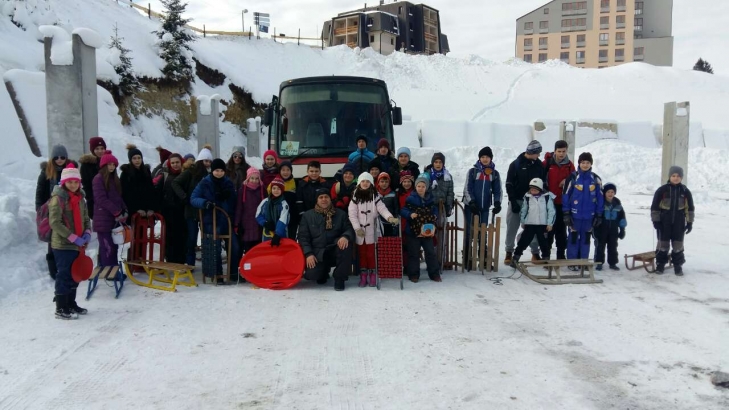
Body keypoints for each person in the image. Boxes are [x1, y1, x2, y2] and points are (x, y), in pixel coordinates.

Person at [48, 163, 92, 320]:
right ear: (64, 183)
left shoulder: (81, 198)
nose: (73, 185)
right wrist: (73, 237)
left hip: (78, 243)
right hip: (63, 244)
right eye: (70, 182)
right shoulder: (58, 199)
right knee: (65, 275)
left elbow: (86, 218)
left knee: (75, 275)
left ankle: (71, 303)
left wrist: (87, 233)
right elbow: (55, 222)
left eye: (75, 182)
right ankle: (61, 307)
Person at [191, 158, 238, 281]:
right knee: (214, 246)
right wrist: (205, 203)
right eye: (216, 170)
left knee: (234, 246)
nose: (219, 173)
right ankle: (217, 275)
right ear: (212, 171)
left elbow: (234, 201)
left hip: (226, 219)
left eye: (221, 170)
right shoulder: (205, 183)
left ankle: (233, 273)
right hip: (211, 219)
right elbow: (194, 198)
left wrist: (230, 196)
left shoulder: (228, 183)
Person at [298, 188, 355, 291]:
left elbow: (349, 228)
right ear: (317, 200)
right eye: (321, 197)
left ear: (330, 199)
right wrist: (308, 254)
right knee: (312, 275)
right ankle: (323, 272)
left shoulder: (340, 214)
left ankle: (339, 278)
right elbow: (303, 237)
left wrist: (345, 236)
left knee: (346, 246)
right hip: (318, 252)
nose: (324, 199)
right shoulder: (307, 216)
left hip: (335, 248)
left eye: (326, 197)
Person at [348, 172, 398, 287]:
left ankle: (372, 273)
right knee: (362, 254)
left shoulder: (375, 196)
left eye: (368, 181)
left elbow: (382, 209)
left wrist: (389, 217)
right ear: (359, 183)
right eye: (363, 181)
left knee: (371, 253)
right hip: (360, 231)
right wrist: (357, 228)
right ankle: (363, 275)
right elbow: (352, 214)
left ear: (371, 183)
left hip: (371, 230)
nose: (365, 183)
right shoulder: (355, 198)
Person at [36, 144, 76, 280]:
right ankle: (54, 270)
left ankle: (68, 266)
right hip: (51, 211)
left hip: (69, 210)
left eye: (62, 157)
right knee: (52, 241)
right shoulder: (47, 171)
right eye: (56, 157)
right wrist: (40, 210)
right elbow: (40, 191)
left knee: (68, 238)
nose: (59, 160)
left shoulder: (71, 170)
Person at [172, 145, 214, 266]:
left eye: (209, 161)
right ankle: (190, 263)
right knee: (191, 238)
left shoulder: (210, 174)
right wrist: (184, 197)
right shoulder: (191, 172)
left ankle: (207, 264)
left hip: (205, 211)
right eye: (206, 161)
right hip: (191, 210)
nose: (207, 164)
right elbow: (176, 183)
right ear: (201, 160)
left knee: (207, 237)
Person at [504, 140, 544, 265]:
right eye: (537, 153)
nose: (538, 156)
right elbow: (509, 184)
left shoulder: (539, 165)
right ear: (531, 152)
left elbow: (542, 183)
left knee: (533, 227)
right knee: (512, 226)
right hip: (517, 200)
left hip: (532, 201)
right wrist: (512, 201)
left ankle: (535, 253)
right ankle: (509, 251)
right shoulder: (515, 164)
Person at [463, 146, 502, 269]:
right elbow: (467, 188)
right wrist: (471, 202)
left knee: (483, 232)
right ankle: (468, 258)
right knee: (470, 232)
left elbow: (498, 190)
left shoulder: (494, 174)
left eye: (487, 157)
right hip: (472, 207)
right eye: (482, 157)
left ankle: (484, 258)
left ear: (491, 158)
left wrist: (497, 203)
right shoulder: (473, 171)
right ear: (479, 158)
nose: (485, 159)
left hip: (485, 207)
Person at [651, 166, 695, 275]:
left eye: (678, 176)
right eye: (673, 176)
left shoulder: (685, 191)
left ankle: (678, 266)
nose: (676, 178)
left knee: (678, 246)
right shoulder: (662, 190)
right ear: (669, 176)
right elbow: (655, 207)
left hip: (679, 223)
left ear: (682, 178)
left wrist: (689, 222)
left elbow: (690, 208)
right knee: (663, 245)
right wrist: (656, 221)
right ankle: (660, 265)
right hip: (664, 223)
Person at [563, 152, 604, 267]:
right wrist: (566, 213)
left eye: (587, 163)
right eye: (583, 162)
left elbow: (600, 198)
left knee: (586, 240)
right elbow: (565, 195)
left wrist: (599, 215)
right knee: (573, 239)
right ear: (579, 163)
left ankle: (583, 262)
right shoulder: (572, 177)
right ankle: (572, 263)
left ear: (591, 164)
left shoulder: (596, 179)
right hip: (574, 216)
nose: (585, 165)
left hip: (589, 217)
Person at [401, 173, 441, 283]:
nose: (421, 188)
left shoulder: (430, 199)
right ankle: (413, 274)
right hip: (413, 230)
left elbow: (435, 210)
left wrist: (435, 215)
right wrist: (410, 214)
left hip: (426, 230)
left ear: (426, 187)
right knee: (413, 253)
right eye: (419, 186)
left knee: (430, 252)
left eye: (423, 186)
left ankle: (434, 274)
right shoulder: (410, 198)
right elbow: (403, 210)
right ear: (415, 187)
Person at [92, 150, 127, 271]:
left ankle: (113, 269)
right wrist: (116, 211)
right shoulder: (98, 179)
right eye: (109, 164)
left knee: (114, 246)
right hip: (103, 218)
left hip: (113, 218)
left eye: (113, 164)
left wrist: (123, 209)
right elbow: (101, 199)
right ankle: (109, 271)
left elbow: (118, 197)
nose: (112, 167)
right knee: (107, 246)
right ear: (104, 165)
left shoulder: (114, 179)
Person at [509, 178, 555, 266]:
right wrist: (523, 221)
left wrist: (550, 223)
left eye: (535, 189)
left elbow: (551, 211)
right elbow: (524, 210)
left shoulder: (546, 197)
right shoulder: (527, 198)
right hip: (530, 224)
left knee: (544, 243)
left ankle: (546, 259)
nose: (533, 191)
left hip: (542, 224)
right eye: (532, 189)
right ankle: (516, 257)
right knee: (524, 241)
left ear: (540, 189)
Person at [543, 140, 575, 260]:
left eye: (564, 151)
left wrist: (566, 181)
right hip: (549, 202)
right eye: (559, 151)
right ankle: (546, 255)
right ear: (555, 151)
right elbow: (541, 180)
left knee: (561, 231)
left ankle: (561, 255)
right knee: (548, 230)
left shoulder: (569, 165)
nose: (561, 154)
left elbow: (574, 179)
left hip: (563, 203)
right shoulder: (547, 163)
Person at [155, 153, 187, 264]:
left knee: (182, 237)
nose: (175, 165)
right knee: (169, 237)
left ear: (182, 162)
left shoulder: (186, 175)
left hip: (182, 212)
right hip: (168, 212)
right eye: (173, 163)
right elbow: (157, 193)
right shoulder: (165, 176)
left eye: (177, 162)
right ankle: (170, 260)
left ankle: (181, 261)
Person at [594, 183, 626, 271]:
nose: (610, 194)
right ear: (604, 193)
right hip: (602, 229)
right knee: (600, 246)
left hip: (613, 229)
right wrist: (595, 228)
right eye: (608, 192)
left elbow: (622, 217)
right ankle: (599, 262)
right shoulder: (600, 202)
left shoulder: (617, 203)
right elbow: (596, 216)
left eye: (612, 192)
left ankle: (613, 263)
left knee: (613, 246)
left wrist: (622, 229)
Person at [120, 144, 157, 219]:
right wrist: (135, 209)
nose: (137, 160)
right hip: (133, 211)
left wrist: (151, 208)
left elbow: (151, 190)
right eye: (134, 158)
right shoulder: (126, 173)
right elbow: (125, 193)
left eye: (139, 158)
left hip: (146, 211)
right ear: (130, 160)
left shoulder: (146, 171)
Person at [235, 168, 265, 253]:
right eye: (252, 178)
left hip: (259, 224)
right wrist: (236, 224)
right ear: (248, 178)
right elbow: (239, 208)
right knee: (248, 249)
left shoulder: (262, 190)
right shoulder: (242, 190)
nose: (254, 181)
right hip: (246, 224)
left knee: (258, 248)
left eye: (256, 178)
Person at [256, 177, 290, 246]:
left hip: (280, 234)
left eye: (278, 189)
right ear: (271, 189)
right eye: (274, 188)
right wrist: (265, 223)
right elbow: (258, 215)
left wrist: (277, 234)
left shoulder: (284, 204)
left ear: (282, 190)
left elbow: (283, 220)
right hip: (267, 232)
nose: (276, 191)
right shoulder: (265, 202)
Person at [79, 136, 107, 219]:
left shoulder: (108, 162)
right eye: (97, 149)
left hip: (109, 201)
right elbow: (86, 184)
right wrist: (91, 198)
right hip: (94, 202)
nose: (100, 151)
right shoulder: (86, 165)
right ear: (92, 150)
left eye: (102, 148)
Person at [425, 152, 455, 218]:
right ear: (433, 163)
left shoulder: (448, 177)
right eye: (436, 162)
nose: (438, 164)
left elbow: (450, 193)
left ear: (443, 163)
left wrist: (449, 205)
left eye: (440, 162)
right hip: (430, 206)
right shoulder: (427, 175)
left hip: (443, 207)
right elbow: (424, 191)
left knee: (442, 226)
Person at [277, 161, 299, 239]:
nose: (285, 172)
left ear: (291, 171)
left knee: (291, 239)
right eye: (283, 170)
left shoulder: (296, 182)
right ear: (279, 171)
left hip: (292, 218)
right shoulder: (275, 183)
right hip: (279, 218)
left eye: (288, 170)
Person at [376, 172, 399, 237]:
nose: (384, 184)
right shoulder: (375, 194)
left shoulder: (393, 194)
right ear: (378, 182)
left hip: (390, 222)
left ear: (389, 183)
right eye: (382, 181)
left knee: (389, 240)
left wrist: (396, 218)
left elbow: (396, 207)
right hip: (379, 222)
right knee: (379, 240)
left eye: (386, 182)